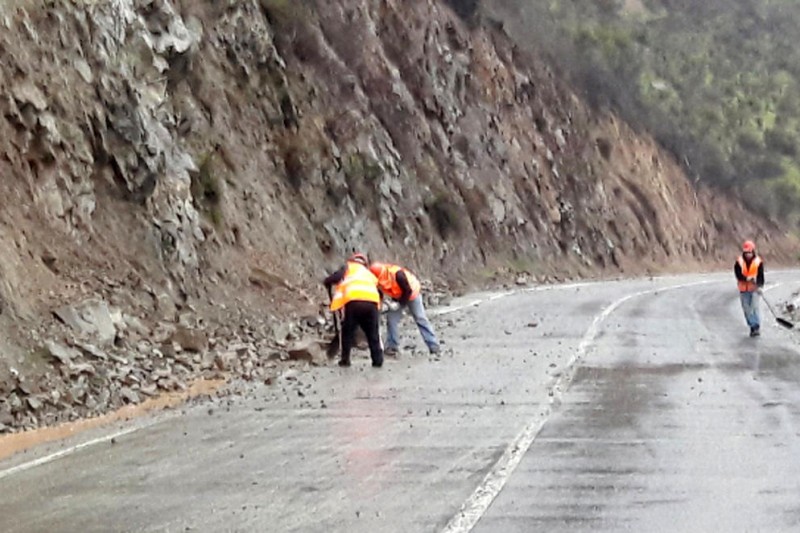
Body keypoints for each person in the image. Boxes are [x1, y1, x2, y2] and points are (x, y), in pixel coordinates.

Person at [324, 253, 383, 367]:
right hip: (371, 303)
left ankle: (345, 360)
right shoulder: (368, 273)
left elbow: (335, 278)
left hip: (354, 302)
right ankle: (378, 360)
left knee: (348, 331)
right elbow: (379, 290)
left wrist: (327, 281)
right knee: (373, 333)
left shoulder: (348, 267)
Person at [369, 262, 440, 355]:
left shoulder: (398, 275)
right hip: (397, 295)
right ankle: (392, 346)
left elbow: (408, 291)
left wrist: (398, 304)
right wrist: (379, 305)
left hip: (412, 294)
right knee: (391, 319)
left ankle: (433, 345)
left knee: (420, 318)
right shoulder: (376, 279)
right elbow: (379, 292)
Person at [734, 240, 765, 337]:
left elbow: (761, 276)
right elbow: (738, 275)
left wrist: (759, 286)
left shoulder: (758, 262)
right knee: (746, 309)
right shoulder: (739, 262)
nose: (748, 254)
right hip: (743, 289)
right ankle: (752, 326)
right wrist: (746, 278)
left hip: (754, 289)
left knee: (754, 307)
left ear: (753, 251)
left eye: (749, 252)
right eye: (746, 252)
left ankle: (756, 326)